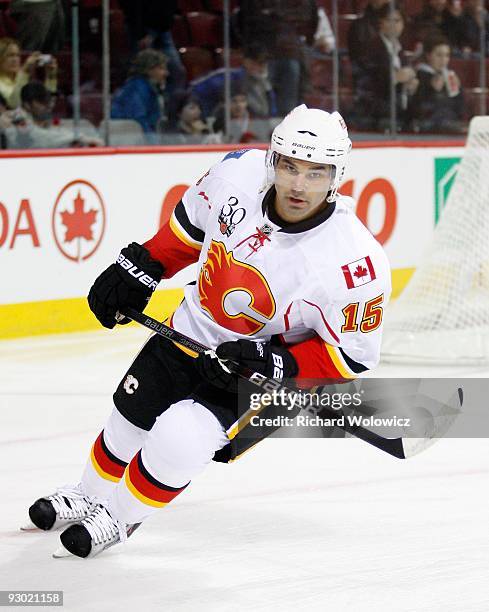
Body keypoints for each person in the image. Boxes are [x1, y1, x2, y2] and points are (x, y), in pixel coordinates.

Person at [23, 105, 391, 559]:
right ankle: (87, 493)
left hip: (248, 372)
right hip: (188, 328)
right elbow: (188, 231)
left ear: (337, 174)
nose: (298, 185)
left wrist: (279, 363)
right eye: (290, 166)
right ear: (273, 158)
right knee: (128, 415)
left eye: (316, 173)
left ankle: (118, 517)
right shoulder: (236, 174)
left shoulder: (354, 262)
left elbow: (350, 356)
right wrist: (142, 266)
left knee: (178, 439)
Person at [352, 4, 419, 131]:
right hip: (375, 112)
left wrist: (410, 85)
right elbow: (366, 82)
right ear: (381, 22)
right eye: (390, 20)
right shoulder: (371, 47)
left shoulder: (400, 50)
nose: (394, 25)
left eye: (398, 21)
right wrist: (394, 78)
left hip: (397, 111)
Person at [190, 43, 278, 120]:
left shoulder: (265, 84)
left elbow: (270, 112)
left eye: (265, 63)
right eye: (259, 63)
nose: (263, 67)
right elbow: (194, 91)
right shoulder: (226, 77)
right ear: (247, 62)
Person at [3, 81, 102, 148]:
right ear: (27, 105)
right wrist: (77, 138)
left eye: (48, 101)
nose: (48, 106)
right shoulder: (14, 118)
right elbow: (41, 138)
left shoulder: (39, 120)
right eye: (42, 102)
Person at [407, 36, 464, 133]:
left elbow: (459, 110)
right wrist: (433, 90)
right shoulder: (419, 75)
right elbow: (414, 110)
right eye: (439, 55)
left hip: (449, 124)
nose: (443, 60)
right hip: (427, 128)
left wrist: (458, 90)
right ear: (428, 55)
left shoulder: (449, 76)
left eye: (447, 55)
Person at [111, 49, 169, 143]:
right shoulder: (136, 89)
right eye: (161, 68)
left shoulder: (147, 87)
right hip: (130, 142)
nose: (166, 73)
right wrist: (153, 145)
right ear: (149, 70)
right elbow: (138, 120)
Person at [0, 37, 57, 109]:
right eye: (10, 55)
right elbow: (15, 104)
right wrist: (25, 71)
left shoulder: (25, 80)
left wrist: (51, 76)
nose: (15, 59)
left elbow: (47, 106)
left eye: (17, 55)